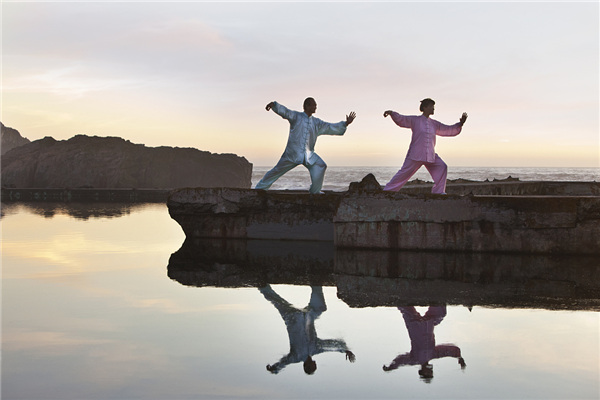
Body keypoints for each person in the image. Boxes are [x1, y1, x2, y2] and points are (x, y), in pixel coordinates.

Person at [255, 98, 356, 194]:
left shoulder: (316, 122)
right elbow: (285, 112)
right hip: (292, 154)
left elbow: (329, 127)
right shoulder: (296, 116)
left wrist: (346, 123)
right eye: (313, 105)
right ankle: (259, 189)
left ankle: (315, 191)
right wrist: (274, 105)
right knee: (276, 171)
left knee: (321, 165)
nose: (316, 107)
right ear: (307, 106)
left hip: (309, 155)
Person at [259, 284, 356, 374]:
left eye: (313, 366)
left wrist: (275, 369)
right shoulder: (316, 349)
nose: (315, 364)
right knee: (320, 308)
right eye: (314, 366)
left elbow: (284, 362)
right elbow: (331, 346)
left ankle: (262, 286)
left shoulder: (296, 357)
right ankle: (316, 284)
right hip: (307, 315)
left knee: (276, 301)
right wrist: (345, 350)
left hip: (292, 318)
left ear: (307, 366)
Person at [383, 98, 468, 194]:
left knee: (442, 166)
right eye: (432, 106)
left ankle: (438, 192)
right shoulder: (415, 120)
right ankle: (387, 191)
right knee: (403, 173)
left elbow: (447, 129)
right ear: (425, 107)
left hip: (430, 155)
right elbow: (402, 119)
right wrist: (391, 113)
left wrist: (460, 123)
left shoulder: (434, 124)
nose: (433, 109)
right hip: (415, 154)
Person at [382, 306, 465, 383]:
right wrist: (459, 357)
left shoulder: (415, 359)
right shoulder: (432, 355)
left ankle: (400, 299)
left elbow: (401, 361)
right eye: (431, 373)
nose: (430, 371)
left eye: (428, 373)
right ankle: (436, 301)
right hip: (427, 324)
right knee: (440, 314)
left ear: (421, 371)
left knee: (406, 308)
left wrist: (391, 367)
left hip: (415, 325)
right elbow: (446, 351)